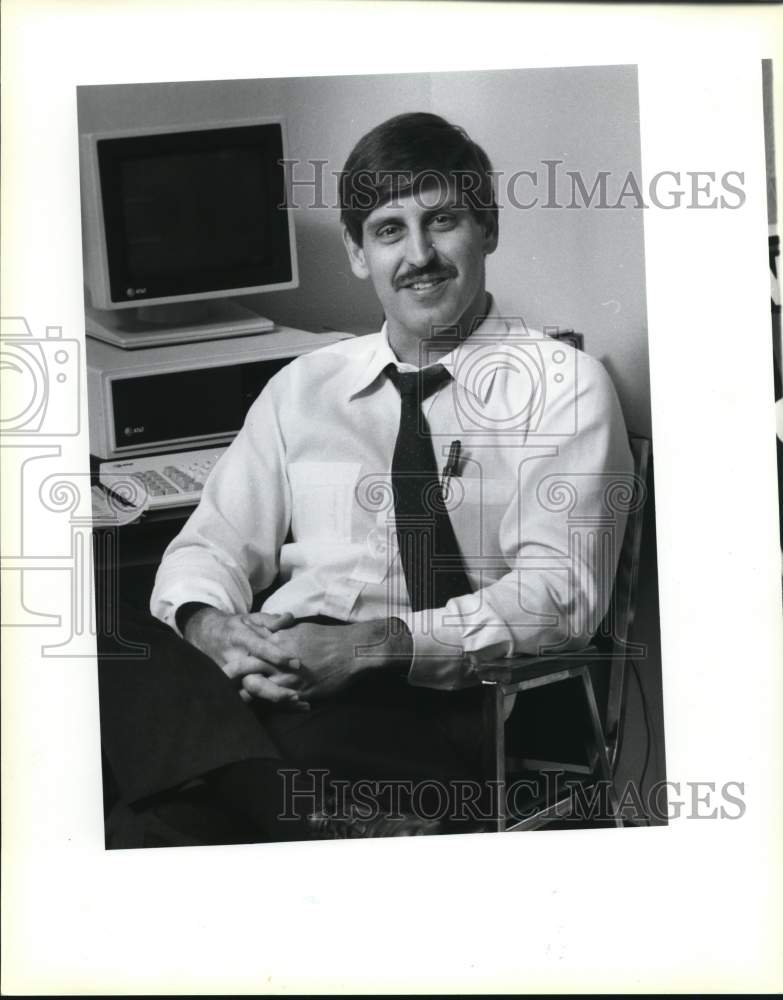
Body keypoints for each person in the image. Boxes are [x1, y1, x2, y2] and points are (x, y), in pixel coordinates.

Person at [101, 112, 633, 845]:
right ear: (357, 253)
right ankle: (300, 806)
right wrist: (219, 630)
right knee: (104, 629)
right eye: (388, 230)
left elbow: (558, 598)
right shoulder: (304, 387)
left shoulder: (562, 385)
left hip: (430, 694)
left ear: (488, 229)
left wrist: (362, 648)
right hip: (278, 683)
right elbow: (209, 548)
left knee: (150, 827)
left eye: (441, 220)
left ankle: (260, 795)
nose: (418, 255)